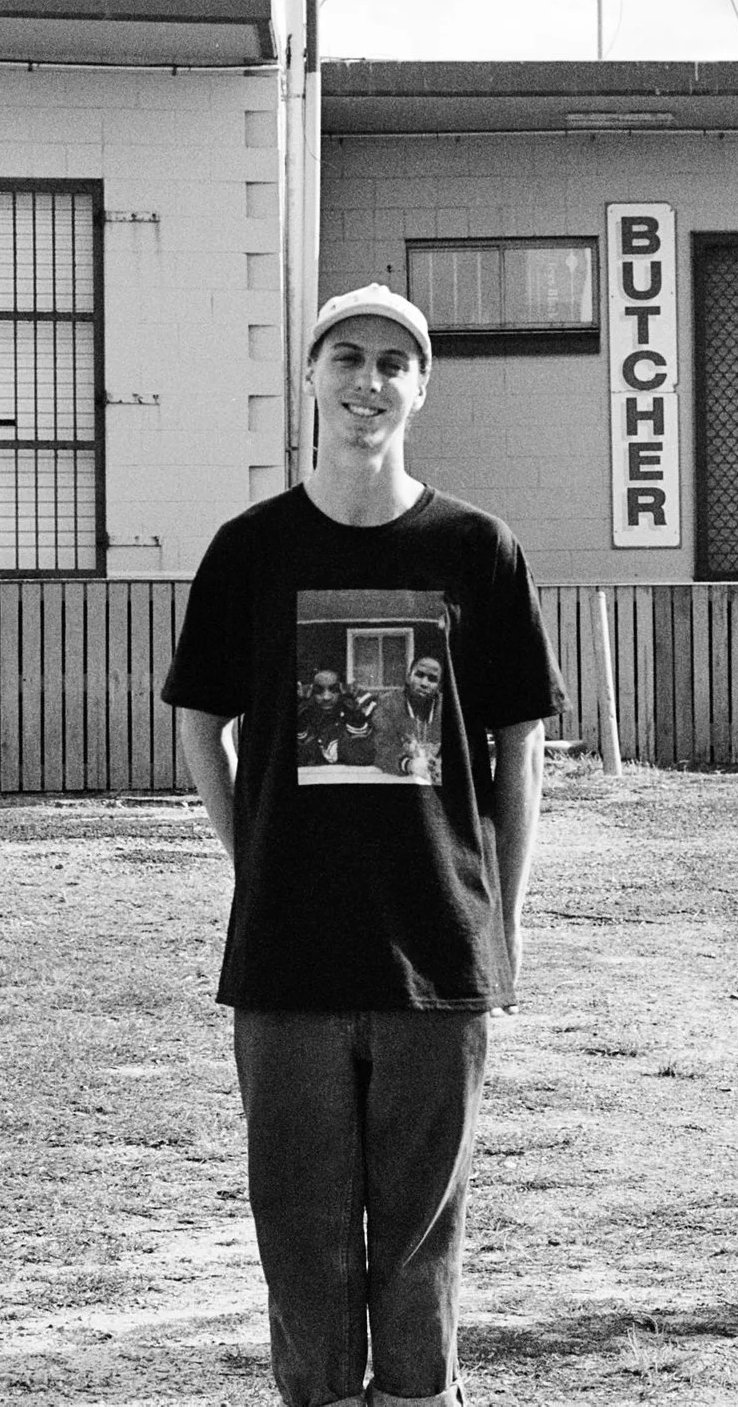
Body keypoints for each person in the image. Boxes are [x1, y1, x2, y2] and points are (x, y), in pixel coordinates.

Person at [164, 284, 564, 1407]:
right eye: (347, 356)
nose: (368, 380)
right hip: (287, 955)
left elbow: (519, 747)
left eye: (395, 362)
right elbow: (203, 723)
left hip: (434, 947)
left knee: (422, 1230)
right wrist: (258, 860)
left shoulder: (478, 549)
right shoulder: (250, 549)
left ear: (421, 387)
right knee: (299, 1228)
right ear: (310, 375)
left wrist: (505, 921)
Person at [368, 655, 445, 782]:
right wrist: (409, 764)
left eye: (432, 679)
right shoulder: (388, 703)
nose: (424, 683)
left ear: (439, 685)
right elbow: (381, 748)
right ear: (408, 677)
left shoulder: (448, 707)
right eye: (419, 675)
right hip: (400, 778)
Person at [297, 667, 376, 768]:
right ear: (312, 691)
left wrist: (356, 722)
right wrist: (301, 726)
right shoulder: (305, 709)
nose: (326, 697)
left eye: (333, 689)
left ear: (341, 688)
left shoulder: (355, 705)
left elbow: (363, 757)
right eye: (319, 690)